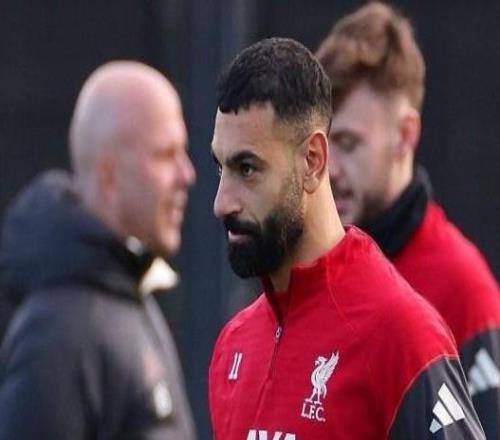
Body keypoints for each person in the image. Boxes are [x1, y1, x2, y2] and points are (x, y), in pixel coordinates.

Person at [208, 37, 484, 439]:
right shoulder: (233, 345)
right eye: (221, 169)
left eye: (247, 169)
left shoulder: (402, 336)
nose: (222, 203)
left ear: (312, 161)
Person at [316, 3, 500, 438]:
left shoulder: (462, 289)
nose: (328, 168)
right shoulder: (309, 271)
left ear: (405, 135)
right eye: (320, 144)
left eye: (348, 143)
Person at [0, 61, 197, 439]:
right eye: (165, 155)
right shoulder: (60, 333)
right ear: (109, 174)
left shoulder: (123, 292)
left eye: (183, 153)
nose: (186, 175)